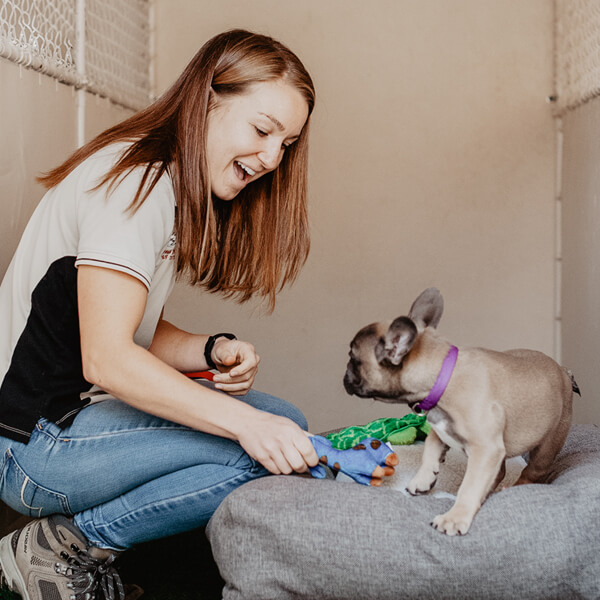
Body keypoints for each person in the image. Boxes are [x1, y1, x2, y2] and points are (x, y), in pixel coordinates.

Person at [0, 28, 319, 600]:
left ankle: (85, 546)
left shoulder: (164, 185)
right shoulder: (136, 184)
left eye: (287, 144)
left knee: (283, 423)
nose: (273, 158)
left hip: (72, 423)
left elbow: (128, 329)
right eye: (263, 129)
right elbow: (108, 360)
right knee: (264, 447)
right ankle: (66, 546)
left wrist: (208, 349)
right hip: (29, 446)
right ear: (206, 102)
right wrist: (247, 423)